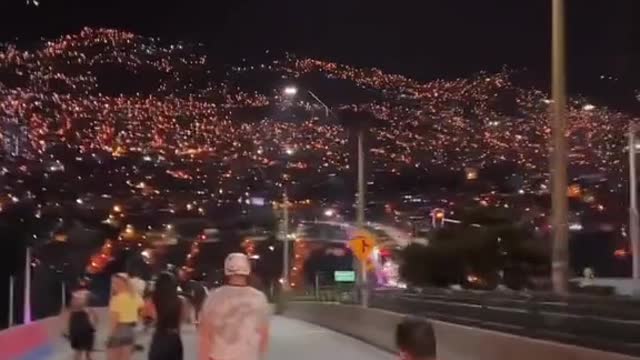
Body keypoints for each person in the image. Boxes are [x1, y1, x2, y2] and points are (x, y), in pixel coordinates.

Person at [198, 253, 270, 360]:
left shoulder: (214, 297)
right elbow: (263, 335)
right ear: (248, 270)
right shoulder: (259, 298)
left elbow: (206, 335)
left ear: (227, 270)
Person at [147, 272, 189, 360]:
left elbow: (152, 317)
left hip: (159, 336)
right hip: (175, 338)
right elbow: (183, 319)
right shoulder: (182, 301)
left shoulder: (153, 300)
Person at [107, 273, 144, 360]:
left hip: (118, 330)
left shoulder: (116, 299)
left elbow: (114, 320)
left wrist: (110, 336)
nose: (113, 285)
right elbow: (141, 311)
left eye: (115, 283)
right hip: (130, 330)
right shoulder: (135, 297)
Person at [63, 292, 97, 360]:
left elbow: (67, 321)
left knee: (79, 352)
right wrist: (93, 326)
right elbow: (96, 318)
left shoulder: (72, 311)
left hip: (78, 331)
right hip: (85, 331)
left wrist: (66, 331)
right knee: (85, 351)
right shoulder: (87, 309)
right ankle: (88, 356)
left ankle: (87, 356)